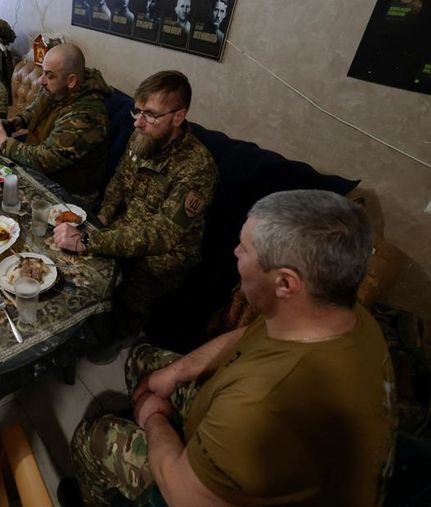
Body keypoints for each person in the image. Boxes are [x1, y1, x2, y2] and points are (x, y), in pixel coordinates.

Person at [69, 189, 397, 506]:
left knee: (91, 437)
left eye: (245, 248)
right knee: (144, 360)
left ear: (285, 283)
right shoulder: (340, 314)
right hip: (255, 450)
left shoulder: (259, 404)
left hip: (199, 491)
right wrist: (178, 371)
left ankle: (99, 491)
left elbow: (185, 496)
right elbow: (250, 335)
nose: (236, 253)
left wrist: (154, 420)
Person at [53, 70, 217, 340]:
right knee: (69, 264)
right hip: (127, 226)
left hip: (166, 253)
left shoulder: (197, 167)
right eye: (136, 111)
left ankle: (118, 337)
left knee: (128, 298)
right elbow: (119, 181)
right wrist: (102, 217)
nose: (138, 123)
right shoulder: (142, 137)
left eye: (150, 114)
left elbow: (162, 235)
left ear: (178, 116)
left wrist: (89, 240)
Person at [0, 43, 109, 204]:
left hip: (69, 191)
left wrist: (4, 143)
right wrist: (20, 121)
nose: (41, 80)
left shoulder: (86, 115)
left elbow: (46, 159)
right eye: (42, 72)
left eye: (49, 75)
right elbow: (35, 109)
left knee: (1, 202)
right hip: (42, 171)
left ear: (71, 81)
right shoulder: (56, 87)